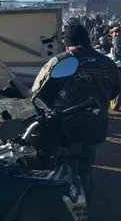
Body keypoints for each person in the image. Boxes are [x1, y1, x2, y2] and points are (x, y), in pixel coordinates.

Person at [31, 23, 120, 206]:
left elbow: (37, 92)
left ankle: (67, 209)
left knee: (66, 167)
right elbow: (115, 91)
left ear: (68, 43)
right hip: (97, 124)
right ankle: (87, 204)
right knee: (86, 165)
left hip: (67, 125)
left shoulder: (60, 60)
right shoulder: (108, 63)